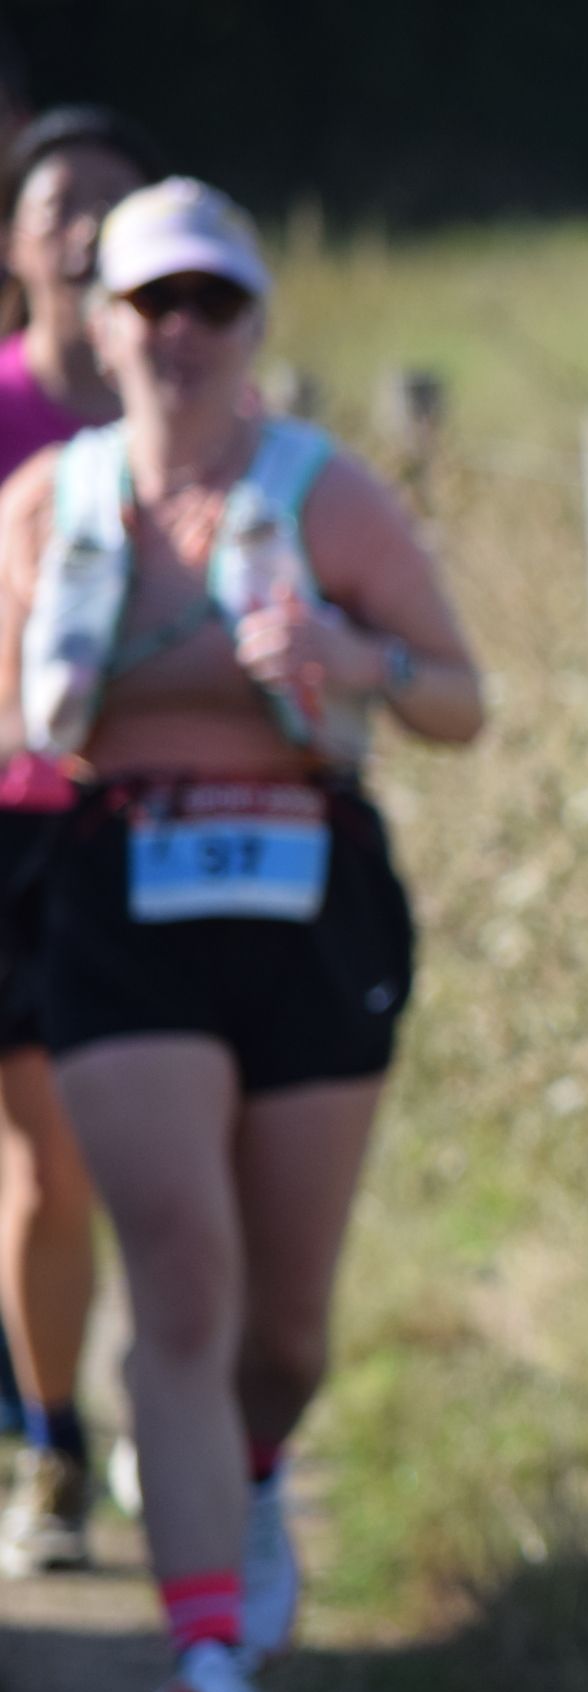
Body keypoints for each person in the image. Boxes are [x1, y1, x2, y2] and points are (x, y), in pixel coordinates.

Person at [0, 177, 486, 1692]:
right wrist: (58, 699)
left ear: (255, 321)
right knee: (182, 1279)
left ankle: (253, 1468)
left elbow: (461, 699)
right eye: (154, 302)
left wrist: (359, 665)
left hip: (307, 906)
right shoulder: (49, 505)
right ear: (103, 323)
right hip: (117, 899)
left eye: (213, 301)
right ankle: (207, 1666)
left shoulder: (321, 495)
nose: (183, 331)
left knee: (283, 1329)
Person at [0, 106, 163, 1578]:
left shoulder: (192, 419)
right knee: (38, 1164)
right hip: (8, 822)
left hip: (124, 828)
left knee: (70, 1161)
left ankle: (70, 1438)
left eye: (111, 205)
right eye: (56, 205)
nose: (82, 229)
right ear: (14, 243)